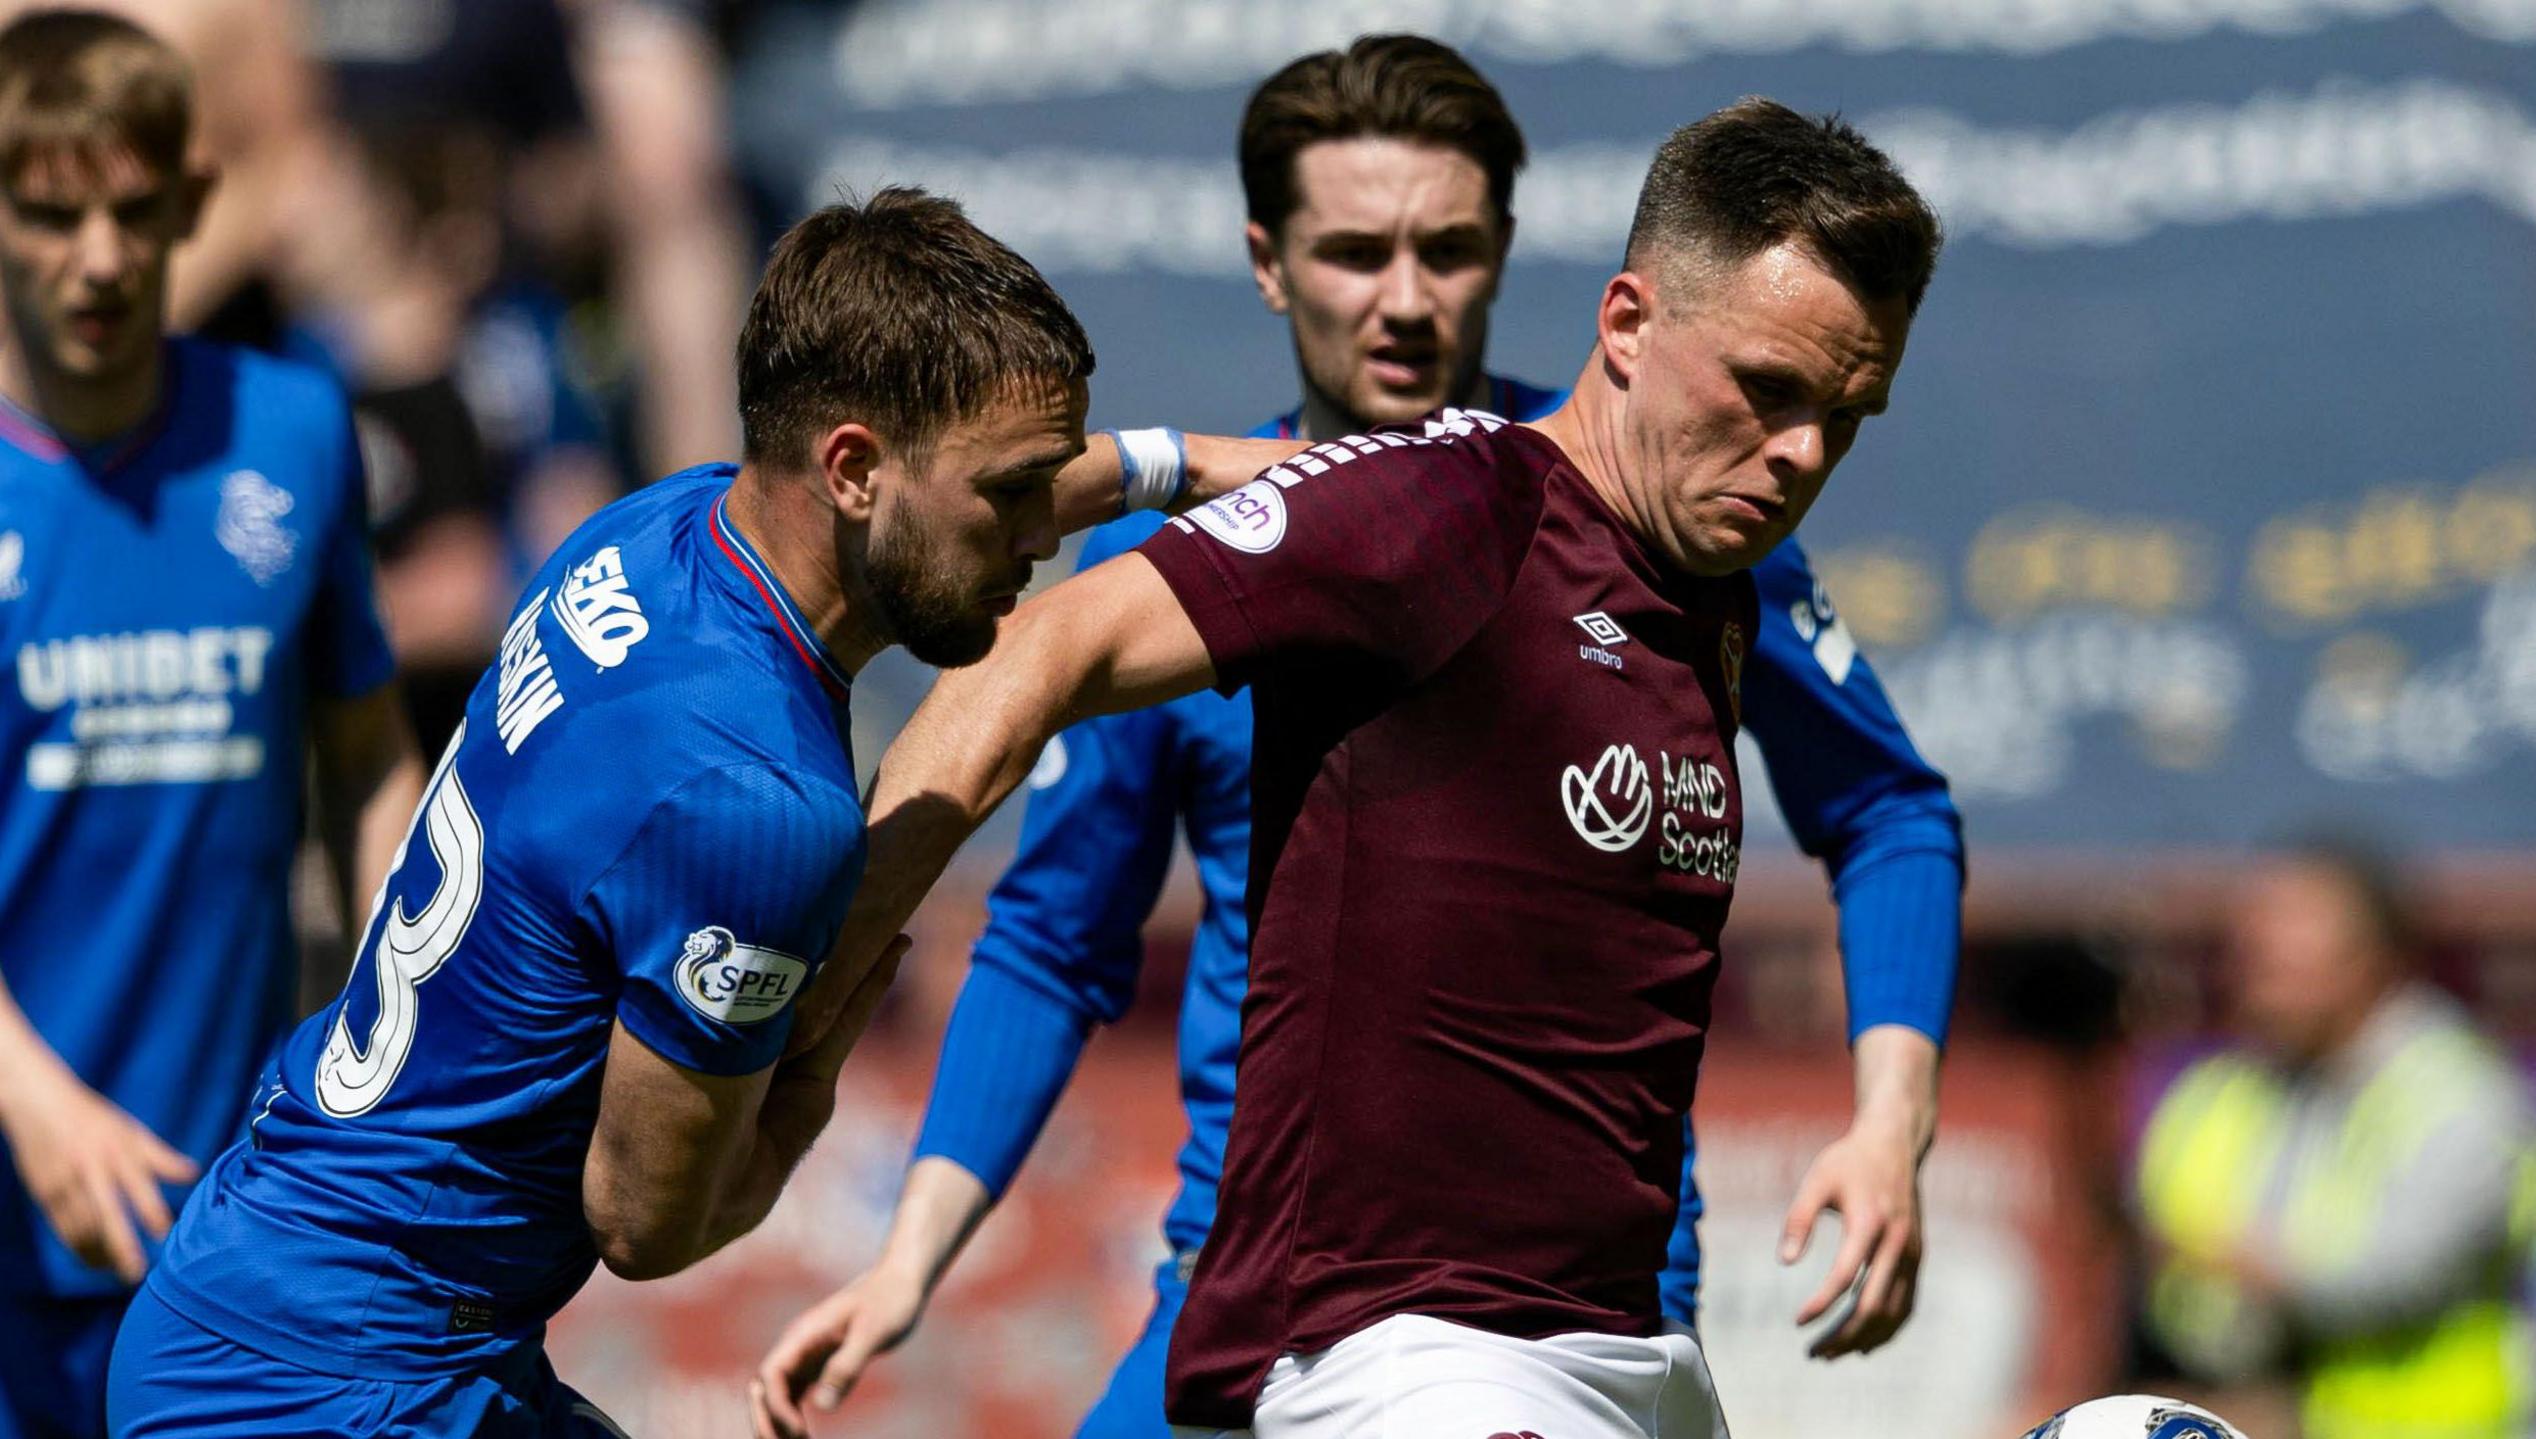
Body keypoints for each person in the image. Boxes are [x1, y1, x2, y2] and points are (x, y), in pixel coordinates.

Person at [752, 36, 1965, 1439]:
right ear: (1271, 263)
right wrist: (879, 1173)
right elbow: (1050, 901)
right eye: (1355, 251)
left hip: (1613, 1317)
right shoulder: (1419, 510)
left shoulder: (1711, 557)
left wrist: (1891, 1119)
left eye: (1446, 249)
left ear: (1509, 256)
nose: (1404, 299)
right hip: (1343, 1304)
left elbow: (1893, 812)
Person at [100, 187, 1135, 1436]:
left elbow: (958, 485)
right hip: (334, 1389)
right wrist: (813, 1058)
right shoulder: (757, 803)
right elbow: (648, 1222)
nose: (1040, 532)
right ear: (853, 468)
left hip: (267, 1294)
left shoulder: (658, 528)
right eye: (1016, 492)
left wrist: (1189, 465)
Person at [0, 12, 425, 1438]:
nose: (102, 257)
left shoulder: (290, 432)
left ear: (196, 200)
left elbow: (365, 751)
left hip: (232, 1209)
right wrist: (33, 1099)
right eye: (51, 214)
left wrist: (408, 987)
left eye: (134, 209)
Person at [2133, 839, 2536, 1439]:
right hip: (2269, 1410)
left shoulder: (2462, 1094)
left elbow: (2390, 1273)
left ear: (2376, 956)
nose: (2258, 964)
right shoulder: (2237, 1086)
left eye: (2289, 943)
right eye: (2250, 946)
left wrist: (2225, 1259)